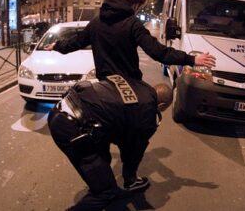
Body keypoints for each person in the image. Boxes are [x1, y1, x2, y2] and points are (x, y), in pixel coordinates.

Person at [48, 76, 174, 211]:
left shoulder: (138, 83)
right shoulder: (147, 115)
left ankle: (106, 184)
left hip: (61, 108)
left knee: (103, 158)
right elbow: (133, 152)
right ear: (161, 106)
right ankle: (103, 191)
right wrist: (129, 178)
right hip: (72, 129)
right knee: (106, 193)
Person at [46, 0, 216, 81]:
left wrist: (56, 45)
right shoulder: (133, 24)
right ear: (134, 5)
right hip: (129, 84)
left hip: (104, 84)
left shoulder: (96, 22)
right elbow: (157, 52)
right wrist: (192, 59)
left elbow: (76, 41)